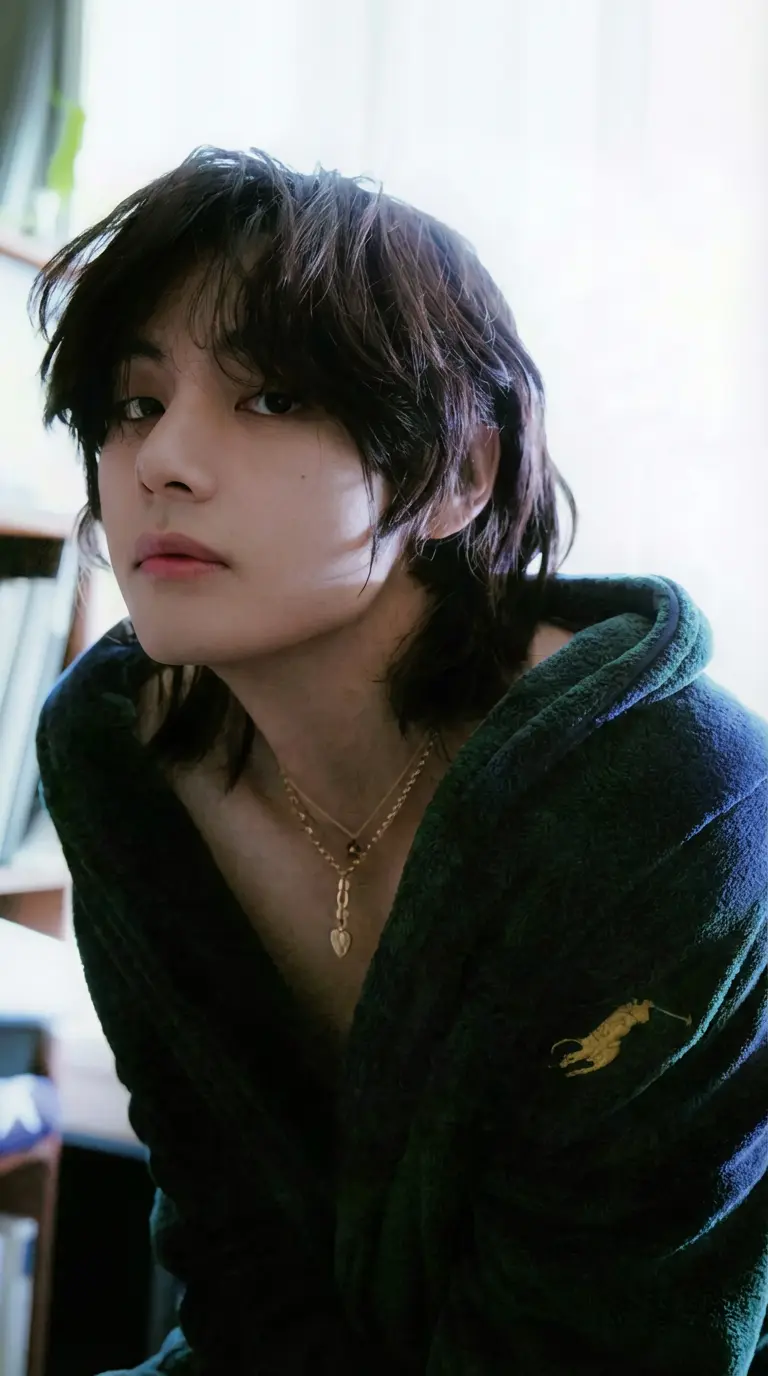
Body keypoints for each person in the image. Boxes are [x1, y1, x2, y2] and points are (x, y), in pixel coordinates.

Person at [31, 147, 767, 1375]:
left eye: (271, 396)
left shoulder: (673, 794)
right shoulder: (113, 748)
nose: (159, 461)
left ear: (462, 475)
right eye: (134, 402)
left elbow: (613, 1335)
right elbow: (236, 1264)